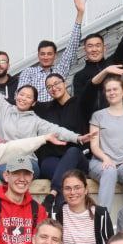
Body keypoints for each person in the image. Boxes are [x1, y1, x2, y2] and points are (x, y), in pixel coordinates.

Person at [0, 49, 81, 174]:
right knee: (5, 171)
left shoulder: (36, 121)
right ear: (16, 95)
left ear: (33, 103)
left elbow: (57, 130)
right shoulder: (4, 110)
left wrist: (77, 137)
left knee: (21, 170)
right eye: (22, 94)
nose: (23, 98)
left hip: (29, 160)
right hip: (5, 159)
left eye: (28, 97)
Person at [73, 0, 123, 116]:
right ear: (85, 50)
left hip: (115, 119)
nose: (94, 49)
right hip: (92, 124)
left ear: (104, 48)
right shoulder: (79, 76)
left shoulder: (113, 63)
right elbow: (79, 105)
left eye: (97, 45)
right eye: (90, 46)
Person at [35, 73, 95, 212]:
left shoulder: (80, 103)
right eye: (49, 86)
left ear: (65, 83)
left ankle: (52, 195)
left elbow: (91, 87)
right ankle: (62, 213)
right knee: (65, 176)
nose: (53, 88)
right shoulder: (45, 109)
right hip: (51, 159)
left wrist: (105, 71)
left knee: (73, 152)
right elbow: (22, 101)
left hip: (78, 160)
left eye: (56, 83)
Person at [17, 0, 86, 101]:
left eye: (49, 54)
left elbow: (72, 46)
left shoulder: (60, 70)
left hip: (57, 109)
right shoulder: (29, 72)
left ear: (55, 55)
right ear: (38, 55)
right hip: (36, 110)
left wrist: (80, 13)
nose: (46, 57)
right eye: (42, 54)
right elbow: (21, 95)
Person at [88, 76, 123, 210]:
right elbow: (94, 146)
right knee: (109, 170)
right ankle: (102, 216)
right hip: (101, 163)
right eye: (108, 90)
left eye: (115, 89)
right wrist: (105, 158)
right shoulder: (98, 116)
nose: (111, 93)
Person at [51, 169, 113, 244]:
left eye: (77, 187)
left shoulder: (100, 214)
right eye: (68, 188)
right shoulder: (56, 214)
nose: (72, 192)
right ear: (62, 191)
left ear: (86, 189)